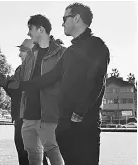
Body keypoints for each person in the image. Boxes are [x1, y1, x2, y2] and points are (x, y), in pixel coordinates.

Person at [15, 3, 110, 165]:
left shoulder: (97, 46)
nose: (62, 23)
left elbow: (96, 80)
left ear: (77, 18)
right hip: (64, 123)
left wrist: (80, 111)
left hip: (84, 123)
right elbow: (52, 76)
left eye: (65, 19)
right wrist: (23, 86)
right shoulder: (71, 52)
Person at [19, 14, 65, 165]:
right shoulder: (30, 56)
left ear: (40, 29)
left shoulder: (62, 53)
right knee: (33, 157)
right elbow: (21, 81)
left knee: (55, 157)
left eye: (30, 29)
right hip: (29, 116)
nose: (28, 33)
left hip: (49, 116)